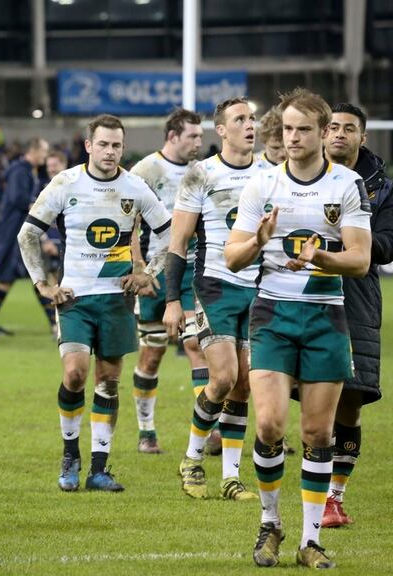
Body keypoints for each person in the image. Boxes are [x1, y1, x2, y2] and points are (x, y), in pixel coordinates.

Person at [225, 88, 372, 569]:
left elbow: (361, 258)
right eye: (287, 128)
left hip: (327, 317)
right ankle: (270, 525)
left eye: (303, 129)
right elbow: (233, 255)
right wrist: (259, 242)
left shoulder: (346, 185)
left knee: (317, 432)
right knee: (268, 424)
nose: (293, 137)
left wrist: (321, 257)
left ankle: (310, 542)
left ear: (323, 131)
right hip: (272, 314)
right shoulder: (262, 185)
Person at [18, 114, 169, 493]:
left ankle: (99, 468)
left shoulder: (135, 187)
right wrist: (43, 284)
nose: (110, 151)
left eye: (116, 145)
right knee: (74, 373)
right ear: (88, 146)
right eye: (103, 144)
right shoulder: (66, 183)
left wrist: (148, 272)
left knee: (108, 382)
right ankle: (70, 456)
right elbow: (28, 235)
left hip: (117, 300)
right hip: (74, 298)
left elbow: (168, 233)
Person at [168, 98, 269, 501]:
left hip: (260, 287)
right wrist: (173, 300)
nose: (250, 125)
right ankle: (192, 460)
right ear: (222, 131)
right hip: (215, 286)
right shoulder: (201, 174)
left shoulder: (270, 174)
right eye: (240, 120)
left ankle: (230, 478)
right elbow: (178, 243)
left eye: (252, 119)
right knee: (223, 377)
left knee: (244, 384)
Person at [320, 103, 393, 527]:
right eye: (333, 127)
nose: (340, 134)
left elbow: (387, 243)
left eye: (350, 129)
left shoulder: (381, 188)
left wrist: (352, 242)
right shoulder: (301, 177)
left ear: (362, 137)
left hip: (357, 296)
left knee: (350, 400)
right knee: (309, 403)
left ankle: (334, 498)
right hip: (303, 291)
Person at [127, 108, 205, 455]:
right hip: (156, 271)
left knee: (196, 345)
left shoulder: (202, 171)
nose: (199, 143)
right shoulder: (146, 170)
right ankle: (147, 431)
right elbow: (127, 222)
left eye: (201, 136)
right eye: (193, 136)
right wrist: (139, 266)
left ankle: (208, 431)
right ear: (172, 136)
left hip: (192, 269)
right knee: (153, 353)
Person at [0, 138, 56, 335]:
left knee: (29, 274)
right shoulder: (20, 171)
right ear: (33, 150)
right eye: (44, 151)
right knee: (30, 273)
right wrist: (38, 206)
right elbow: (18, 198)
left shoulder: (25, 171)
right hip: (14, 230)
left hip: (19, 229)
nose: (45, 155)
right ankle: (53, 322)